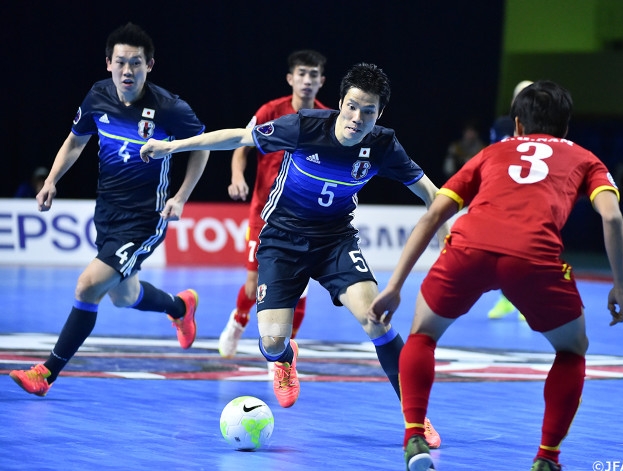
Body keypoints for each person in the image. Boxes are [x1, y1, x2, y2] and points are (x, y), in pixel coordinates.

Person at [141, 62, 447, 448]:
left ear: (379, 114)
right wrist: (172, 146)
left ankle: (416, 421)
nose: (357, 118)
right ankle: (285, 358)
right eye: (351, 107)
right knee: (270, 342)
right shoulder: (305, 126)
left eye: (368, 111)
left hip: (335, 241)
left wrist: (449, 228)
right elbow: (239, 137)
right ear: (339, 103)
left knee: (377, 323)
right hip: (283, 240)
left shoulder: (384, 145)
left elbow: (432, 194)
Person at [367, 80, 623, 471]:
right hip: (533, 258)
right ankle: (546, 460)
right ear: (566, 125)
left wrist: (394, 285)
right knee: (572, 351)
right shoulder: (586, 159)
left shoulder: (492, 152)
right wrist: (619, 286)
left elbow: (432, 216)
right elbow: (611, 217)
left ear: (518, 123)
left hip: (469, 249)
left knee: (422, 335)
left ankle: (415, 437)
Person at [9, 22, 209, 397]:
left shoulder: (169, 108)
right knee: (123, 294)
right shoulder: (98, 96)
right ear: (108, 64)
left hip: (145, 218)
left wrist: (181, 196)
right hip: (107, 213)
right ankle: (181, 307)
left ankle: (46, 373)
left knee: (88, 286)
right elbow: (74, 141)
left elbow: (201, 146)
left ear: (150, 65)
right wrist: (51, 179)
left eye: (136, 63)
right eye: (120, 63)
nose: (127, 71)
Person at [219, 49, 329, 359]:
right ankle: (238, 323)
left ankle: (280, 355)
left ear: (322, 80)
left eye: (313, 75)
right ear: (290, 78)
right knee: (254, 285)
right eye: (302, 74)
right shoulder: (270, 111)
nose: (307, 81)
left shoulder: (326, 119)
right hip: (264, 214)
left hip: (302, 220)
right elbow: (241, 144)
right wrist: (237, 176)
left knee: (299, 292)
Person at [487, 80, 533, 321]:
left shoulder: (542, 129)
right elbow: (493, 158)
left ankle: (527, 300)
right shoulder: (502, 125)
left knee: (527, 250)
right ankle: (506, 299)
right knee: (500, 250)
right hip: (502, 196)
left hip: (531, 199)